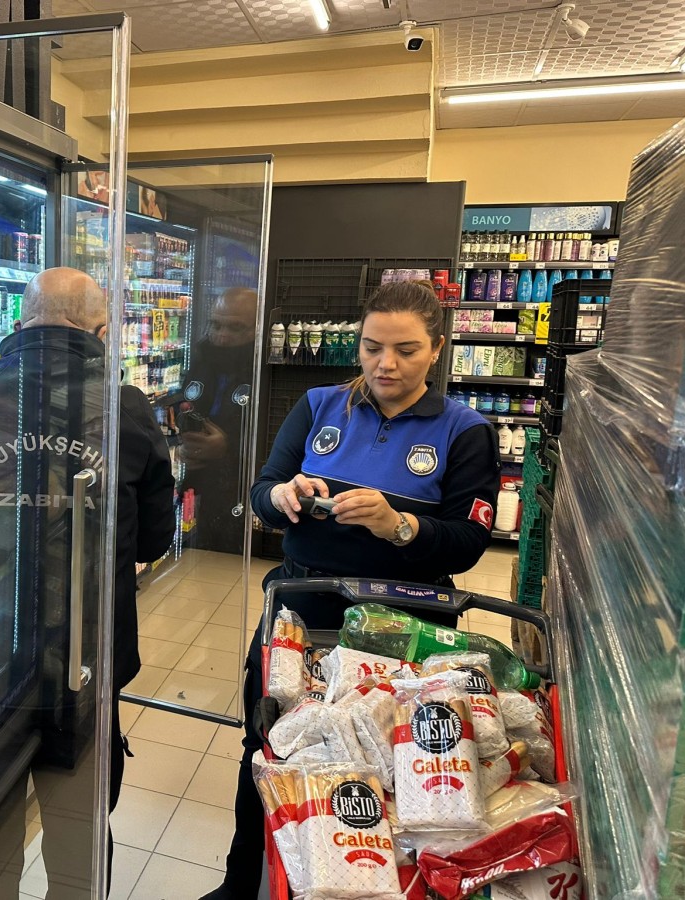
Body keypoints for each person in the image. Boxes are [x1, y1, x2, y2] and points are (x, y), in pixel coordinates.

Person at [200, 280, 500, 900]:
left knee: (384, 761)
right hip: (300, 609)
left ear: (437, 349)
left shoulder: (464, 430)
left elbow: (468, 542)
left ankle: (360, 883)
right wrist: (280, 498)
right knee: (268, 744)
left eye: (406, 351)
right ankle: (241, 884)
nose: (385, 365)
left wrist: (401, 526)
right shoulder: (317, 405)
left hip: (404, 620)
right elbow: (263, 489)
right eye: (371, 348)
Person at [0, 267, 175, 899]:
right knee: (78, 841)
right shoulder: (128, 409)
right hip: (82, 663)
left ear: (19, 323)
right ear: (101, 329)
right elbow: (151, 542)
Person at [177, 287, 257, 552]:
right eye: (216, 324)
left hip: (247, 499)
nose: (222, 336)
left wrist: (229, 448)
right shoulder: (202, 362)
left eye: (235, 328)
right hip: (201, 491)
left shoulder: (267, 375)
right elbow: (186, 407)